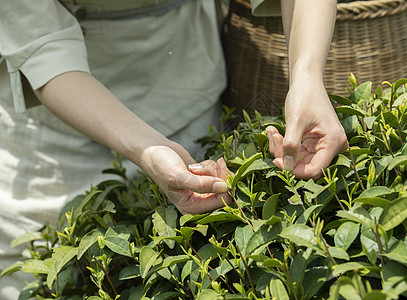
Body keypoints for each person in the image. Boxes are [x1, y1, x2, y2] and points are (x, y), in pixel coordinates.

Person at [0, 0, 347, 298]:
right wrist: (148, 149)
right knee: (44, 278)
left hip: (187, 85)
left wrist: (306, 77)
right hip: (55, 135)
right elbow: (41, 46)